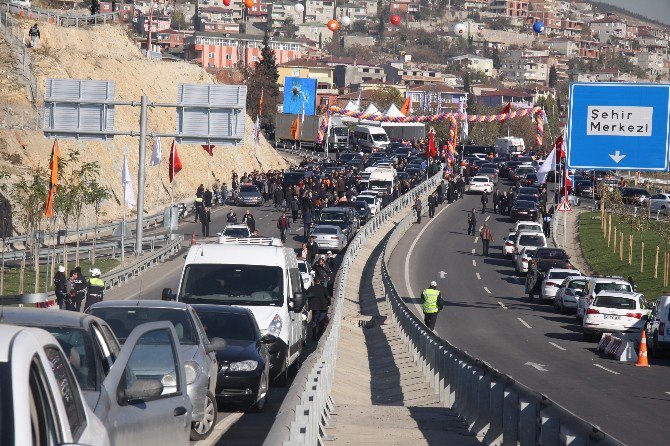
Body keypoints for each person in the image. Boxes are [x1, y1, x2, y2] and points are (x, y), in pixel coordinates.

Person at [307, 277, 330, 341]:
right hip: (323, 308)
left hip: (315, 308)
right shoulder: (324, 288)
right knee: (321, 322)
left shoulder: (311, 288)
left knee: (314, 321)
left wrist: (309, 306)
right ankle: (319, 336)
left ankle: (314, 336)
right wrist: (328, 304)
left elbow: (307, 295)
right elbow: (328, 297)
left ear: (314, 282)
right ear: (319, 282)